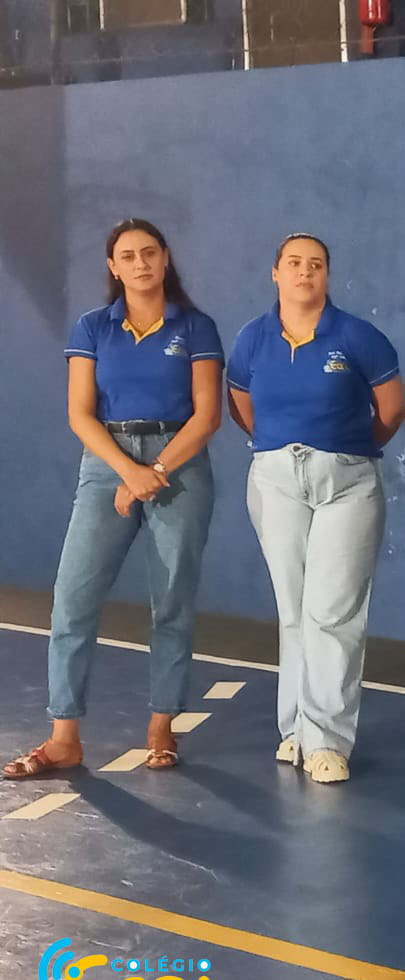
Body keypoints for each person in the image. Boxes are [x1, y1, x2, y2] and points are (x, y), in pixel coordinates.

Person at [4, 219, 222, 779]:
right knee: (72, 600)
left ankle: (161, 727)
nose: (140, 263)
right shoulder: (92, 327)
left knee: (171, 601)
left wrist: (156, 470)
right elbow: (80, 414)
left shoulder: (195, 326)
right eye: (128, 256)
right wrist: (129, 471)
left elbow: (206, 416)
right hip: (108, 464)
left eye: (149, 253)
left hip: (180, 464)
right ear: (113, 267)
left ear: (165, 258)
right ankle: (64, 739)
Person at [226, 233, 405, 784]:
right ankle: (296, 731)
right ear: (275, 273)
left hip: (348, 484)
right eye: (294, 263)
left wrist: (344, 450)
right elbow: (243, 407)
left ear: (327, 275)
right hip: (275, 481)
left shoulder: (358, 337)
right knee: (294, 610)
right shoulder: (253, 338)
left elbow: (391, 410)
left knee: (332, 613)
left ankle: (327, 740)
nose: (305, 272)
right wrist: (282, 450)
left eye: (316, 264)